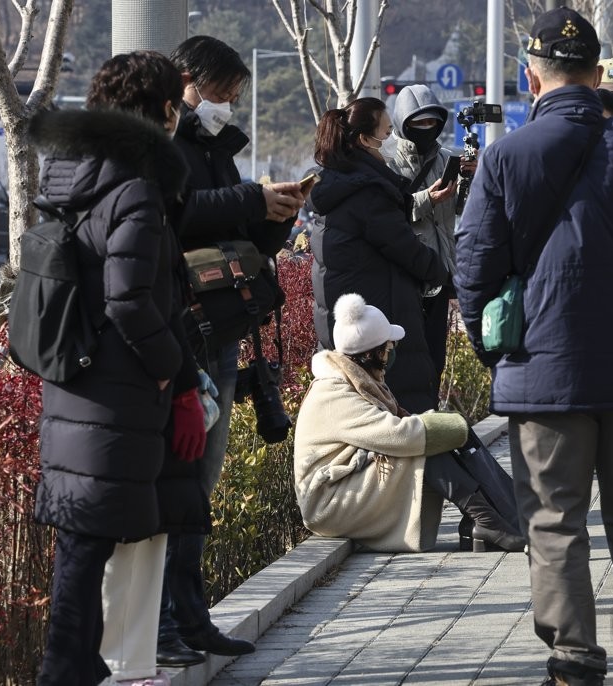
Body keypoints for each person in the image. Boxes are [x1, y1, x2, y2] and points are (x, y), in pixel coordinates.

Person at [454, 8, 613, 685]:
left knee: (555, 520)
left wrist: (492, 350)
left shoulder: (505, 155)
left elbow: (475, 264)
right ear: (598, 77)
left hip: (542, 370)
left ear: (531, 79)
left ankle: (573, 658)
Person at [31, 51, 206, 686]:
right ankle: (63, 669)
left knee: (83, 535)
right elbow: (129, 296)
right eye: (176, 102)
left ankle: (77, 660)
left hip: (74, 376)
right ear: (161, 109)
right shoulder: (134, 184)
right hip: (117, 387)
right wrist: (167, 369)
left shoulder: (75, 171)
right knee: (88, 539)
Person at [158, 35, 305, 664]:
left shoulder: (217, 148)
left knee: (203, 480)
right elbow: (175, 214)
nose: (227, 104)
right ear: (186, 82)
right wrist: (251, 197)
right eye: (220, 93)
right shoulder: (160, 146)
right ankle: (162, 624)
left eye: (235, 96)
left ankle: (192, 616)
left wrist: (275, 214)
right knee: (177, 481)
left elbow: (239, 244)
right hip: (180, 328)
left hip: (220, 325)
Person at [293, 293, 523, 553]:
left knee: (440, 435)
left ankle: (509, 514)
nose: (392, 353)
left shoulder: (359, 379)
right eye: (389, 347)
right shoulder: (333, 392)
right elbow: (397, 435)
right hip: (329, 504)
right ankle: (490, 520)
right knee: (425, 446)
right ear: (371, 352)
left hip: (347, 486)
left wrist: (453, 429)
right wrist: (455, 426)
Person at [310, 97, 448, 414]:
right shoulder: (368, 191)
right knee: (396, 412)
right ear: (363, 140)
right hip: (376, 320)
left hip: (352, 317)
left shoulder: (338, 183)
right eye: (385, 136)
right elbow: (404, 248)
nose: (387, 146)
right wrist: (438, 270)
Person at [387, 84, 464, 389]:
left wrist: (467, 180)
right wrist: (426, 199)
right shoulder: (387, 158)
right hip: (408, 269)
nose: (426, 129)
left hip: (440, 270)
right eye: (418, 124)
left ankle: (429, 412)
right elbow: (388, 214)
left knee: (435, 356)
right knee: (406, 354)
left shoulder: (446, 159)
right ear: (402, 124)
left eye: (432, 123)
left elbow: (458, 210)